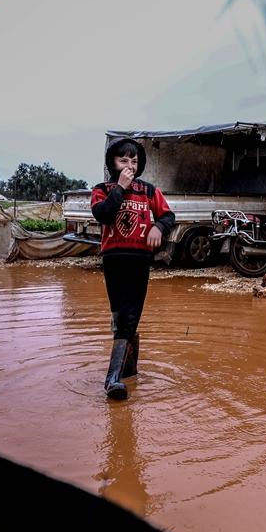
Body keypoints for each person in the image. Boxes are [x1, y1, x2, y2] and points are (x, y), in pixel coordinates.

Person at [89, 137, 175, 400]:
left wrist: (158, 227)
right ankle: (129, 372)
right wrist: (120, 188)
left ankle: (112, 378)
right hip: (114, 259)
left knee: (129, 316)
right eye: (123, 160)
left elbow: (168, 215)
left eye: (134, 161)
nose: (129, 165)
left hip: (139, 260)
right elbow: (102, 214)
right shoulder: (102, 189)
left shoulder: (149, 190)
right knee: (120, 318)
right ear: (112, 163)